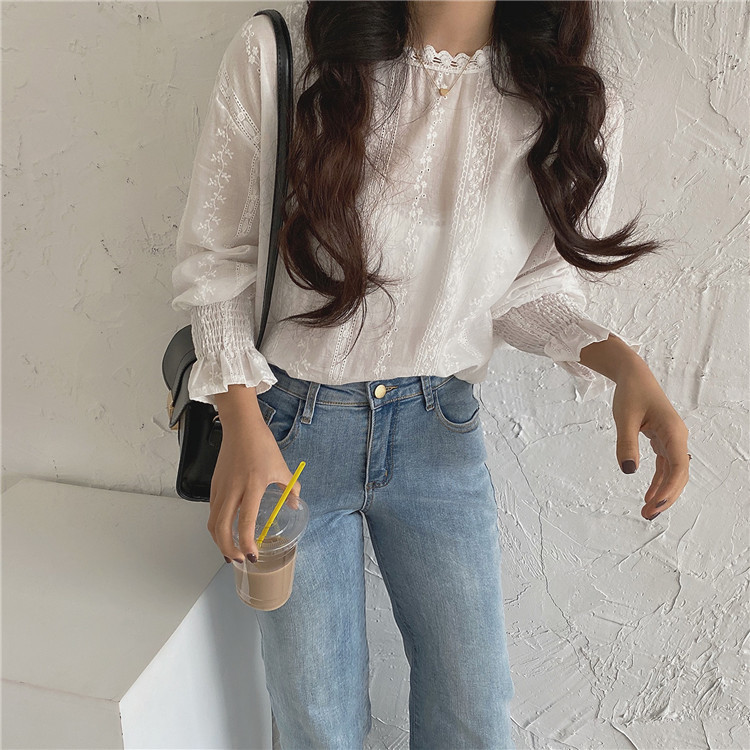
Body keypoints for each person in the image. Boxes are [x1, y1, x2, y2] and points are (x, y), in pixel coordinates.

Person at [170, 1, 691, 747]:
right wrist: (241, 421)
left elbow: (529, 290)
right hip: (288, 433)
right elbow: (218, 260)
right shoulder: (285, 56)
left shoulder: (561, 98)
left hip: (436, 432)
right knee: (316, 718)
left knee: (472, 714)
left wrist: (620, 362)